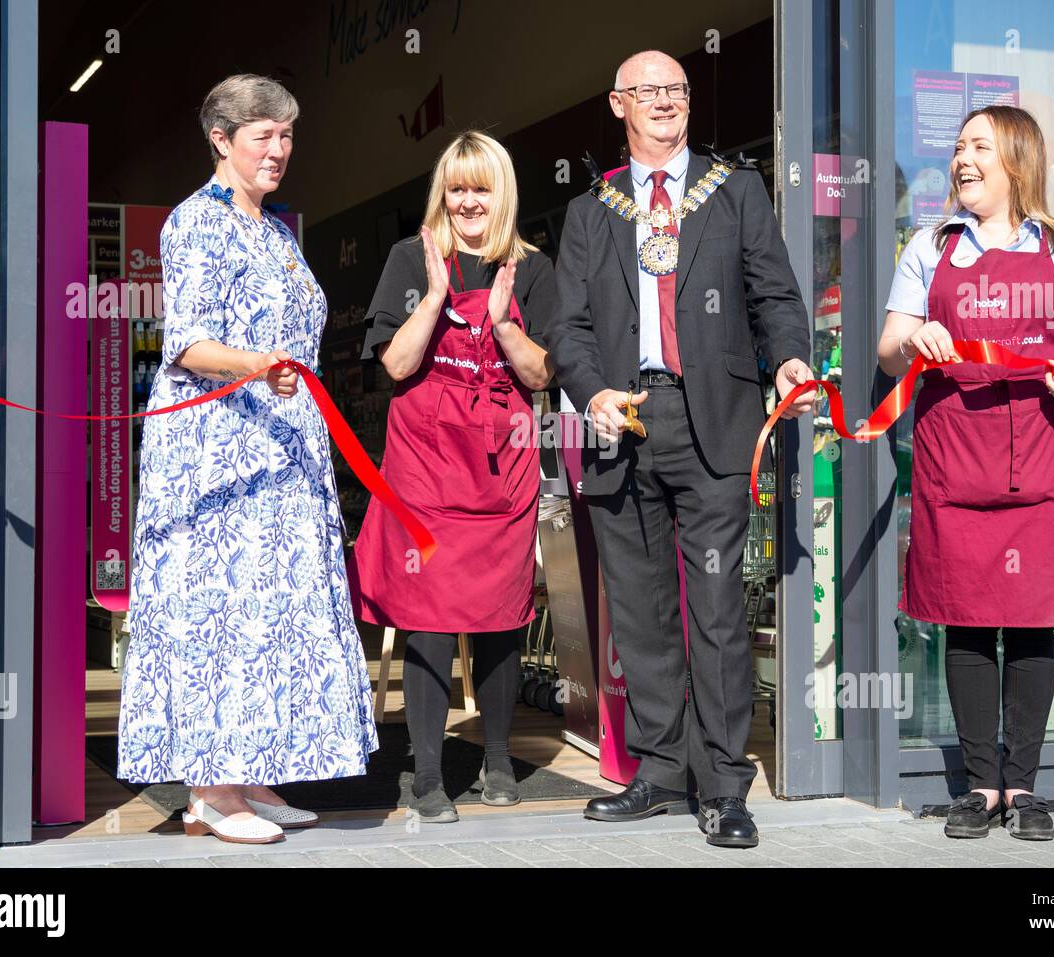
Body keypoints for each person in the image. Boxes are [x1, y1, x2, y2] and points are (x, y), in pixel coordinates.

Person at [545, 50, 813, 849]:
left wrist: (790, 356)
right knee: (641, 612)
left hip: (717, 421)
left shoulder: (735, 191)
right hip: (620, 422)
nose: (666, 101)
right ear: (618, 103)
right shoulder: (591, 210)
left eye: (678, 90)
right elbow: (569, 328)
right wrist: (591, 392)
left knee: (719, 610)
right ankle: (661, 771)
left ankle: (725, 784)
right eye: (649, 91)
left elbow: (775, 293)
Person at [118, 75, 379, 844]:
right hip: (219, 452)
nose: (279, 149)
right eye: (263, 134)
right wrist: (260, 365)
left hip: (283, 446)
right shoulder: (195, 223)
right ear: (221, 140)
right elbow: (189, 343)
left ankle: (253, 771)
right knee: (222, 610)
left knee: (273, 613)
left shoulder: (276, 231)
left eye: (287, 135)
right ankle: (209, 786)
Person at [878, 105, 1054, 842]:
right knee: (965, 616)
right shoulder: (930, 246)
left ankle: (1025, 786)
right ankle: (979, 786)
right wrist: (913, 338)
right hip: (956, 457)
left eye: (977, 146)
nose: (961, 158)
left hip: (1040, 459)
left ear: (1016, 159)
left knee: (1030, 624)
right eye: (957, 145)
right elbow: (889, 349)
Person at [349, 131, 556, 824]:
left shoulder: (532, 270)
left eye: (481, 188)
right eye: (457, 188)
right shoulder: (411, 258)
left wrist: (500, 324)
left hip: (501, 479)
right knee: (430, 621)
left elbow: (540, 373)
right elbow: (397, 364)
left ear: (502, 195)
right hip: (427, 478)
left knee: (501, 618)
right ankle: (429, 775)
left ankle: (499, 762)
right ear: (443, 192)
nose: (468, 201)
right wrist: (435, 296)